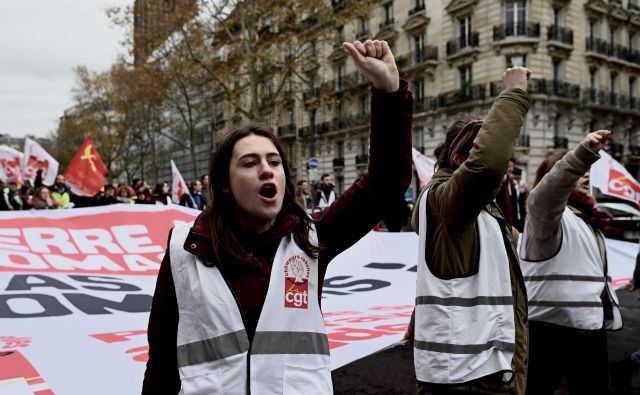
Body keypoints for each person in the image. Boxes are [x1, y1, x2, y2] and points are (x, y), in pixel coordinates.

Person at [142, 39, 413, 394]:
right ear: (224, 184)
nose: (267, 171)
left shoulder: (312, 239)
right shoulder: (184, 250)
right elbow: (161, 361)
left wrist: (388, 91)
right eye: (250, 163)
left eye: (274, 162)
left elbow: (386, 182)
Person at [410, 67, 532, 394]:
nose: (506, 168)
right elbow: (487, 165)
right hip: (470, 376)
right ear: (460, 157)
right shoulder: (447, 201)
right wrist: (515, 94)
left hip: (478, 368)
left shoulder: (470, 208)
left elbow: (451, 276)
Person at [519, 130, 622, 395]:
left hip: (589, 330)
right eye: (579, 171)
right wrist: (580, 156)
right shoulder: (545, 217)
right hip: (548, 331)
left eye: (587, 170)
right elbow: (546, 195)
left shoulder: (588, 221)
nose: (586, 174)